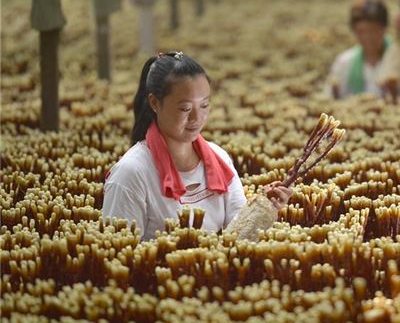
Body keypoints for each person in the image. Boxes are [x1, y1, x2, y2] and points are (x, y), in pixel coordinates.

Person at [102, 51, 292, 241]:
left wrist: (264, 207)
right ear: (154, 103)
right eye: (185, 108)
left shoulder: (220, 159)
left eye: (204, 105)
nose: (196, 118)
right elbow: (116, 254)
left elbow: (236, 239)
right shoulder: (131, 173)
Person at [326, 0, 400, 100]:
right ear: (354, 31)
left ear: (384, 28)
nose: (368, 37)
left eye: (373, 30)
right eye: (361, 32)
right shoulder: (345, 61)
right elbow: (330, 96)